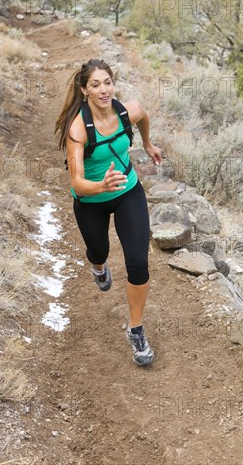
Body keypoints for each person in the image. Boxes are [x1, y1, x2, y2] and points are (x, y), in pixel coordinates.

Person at [54, 58, 162, 366]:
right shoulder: (78, 129)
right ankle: (98, 267)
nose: (104, 90)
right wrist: (101, 186)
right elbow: (75, 181)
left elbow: (143, 117)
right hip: (91, 199)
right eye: (96, 85)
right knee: (98, 249)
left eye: (108, 83)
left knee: (139, 262)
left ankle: (136, 329)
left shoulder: (128, 111)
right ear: (84, 90)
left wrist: (148, 144)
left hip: (127, 190)